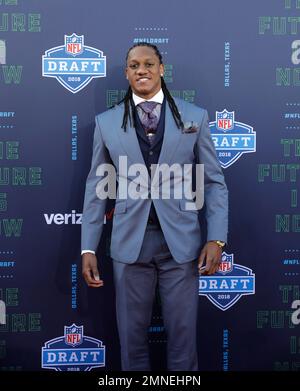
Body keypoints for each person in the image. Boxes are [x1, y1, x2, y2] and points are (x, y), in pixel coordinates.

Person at [81, 43, 228, 371]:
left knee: (183, 340)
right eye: (134, 65)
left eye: (148, 64)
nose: (141, 70)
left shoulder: (194, 117)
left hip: (182, 245)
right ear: (127, 73)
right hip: (129, 245)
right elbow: (96, 188)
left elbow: (214, 183)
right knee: (131, 343)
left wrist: (216, 239)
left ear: (162, 68)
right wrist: (87, 248)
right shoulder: (106, 123)